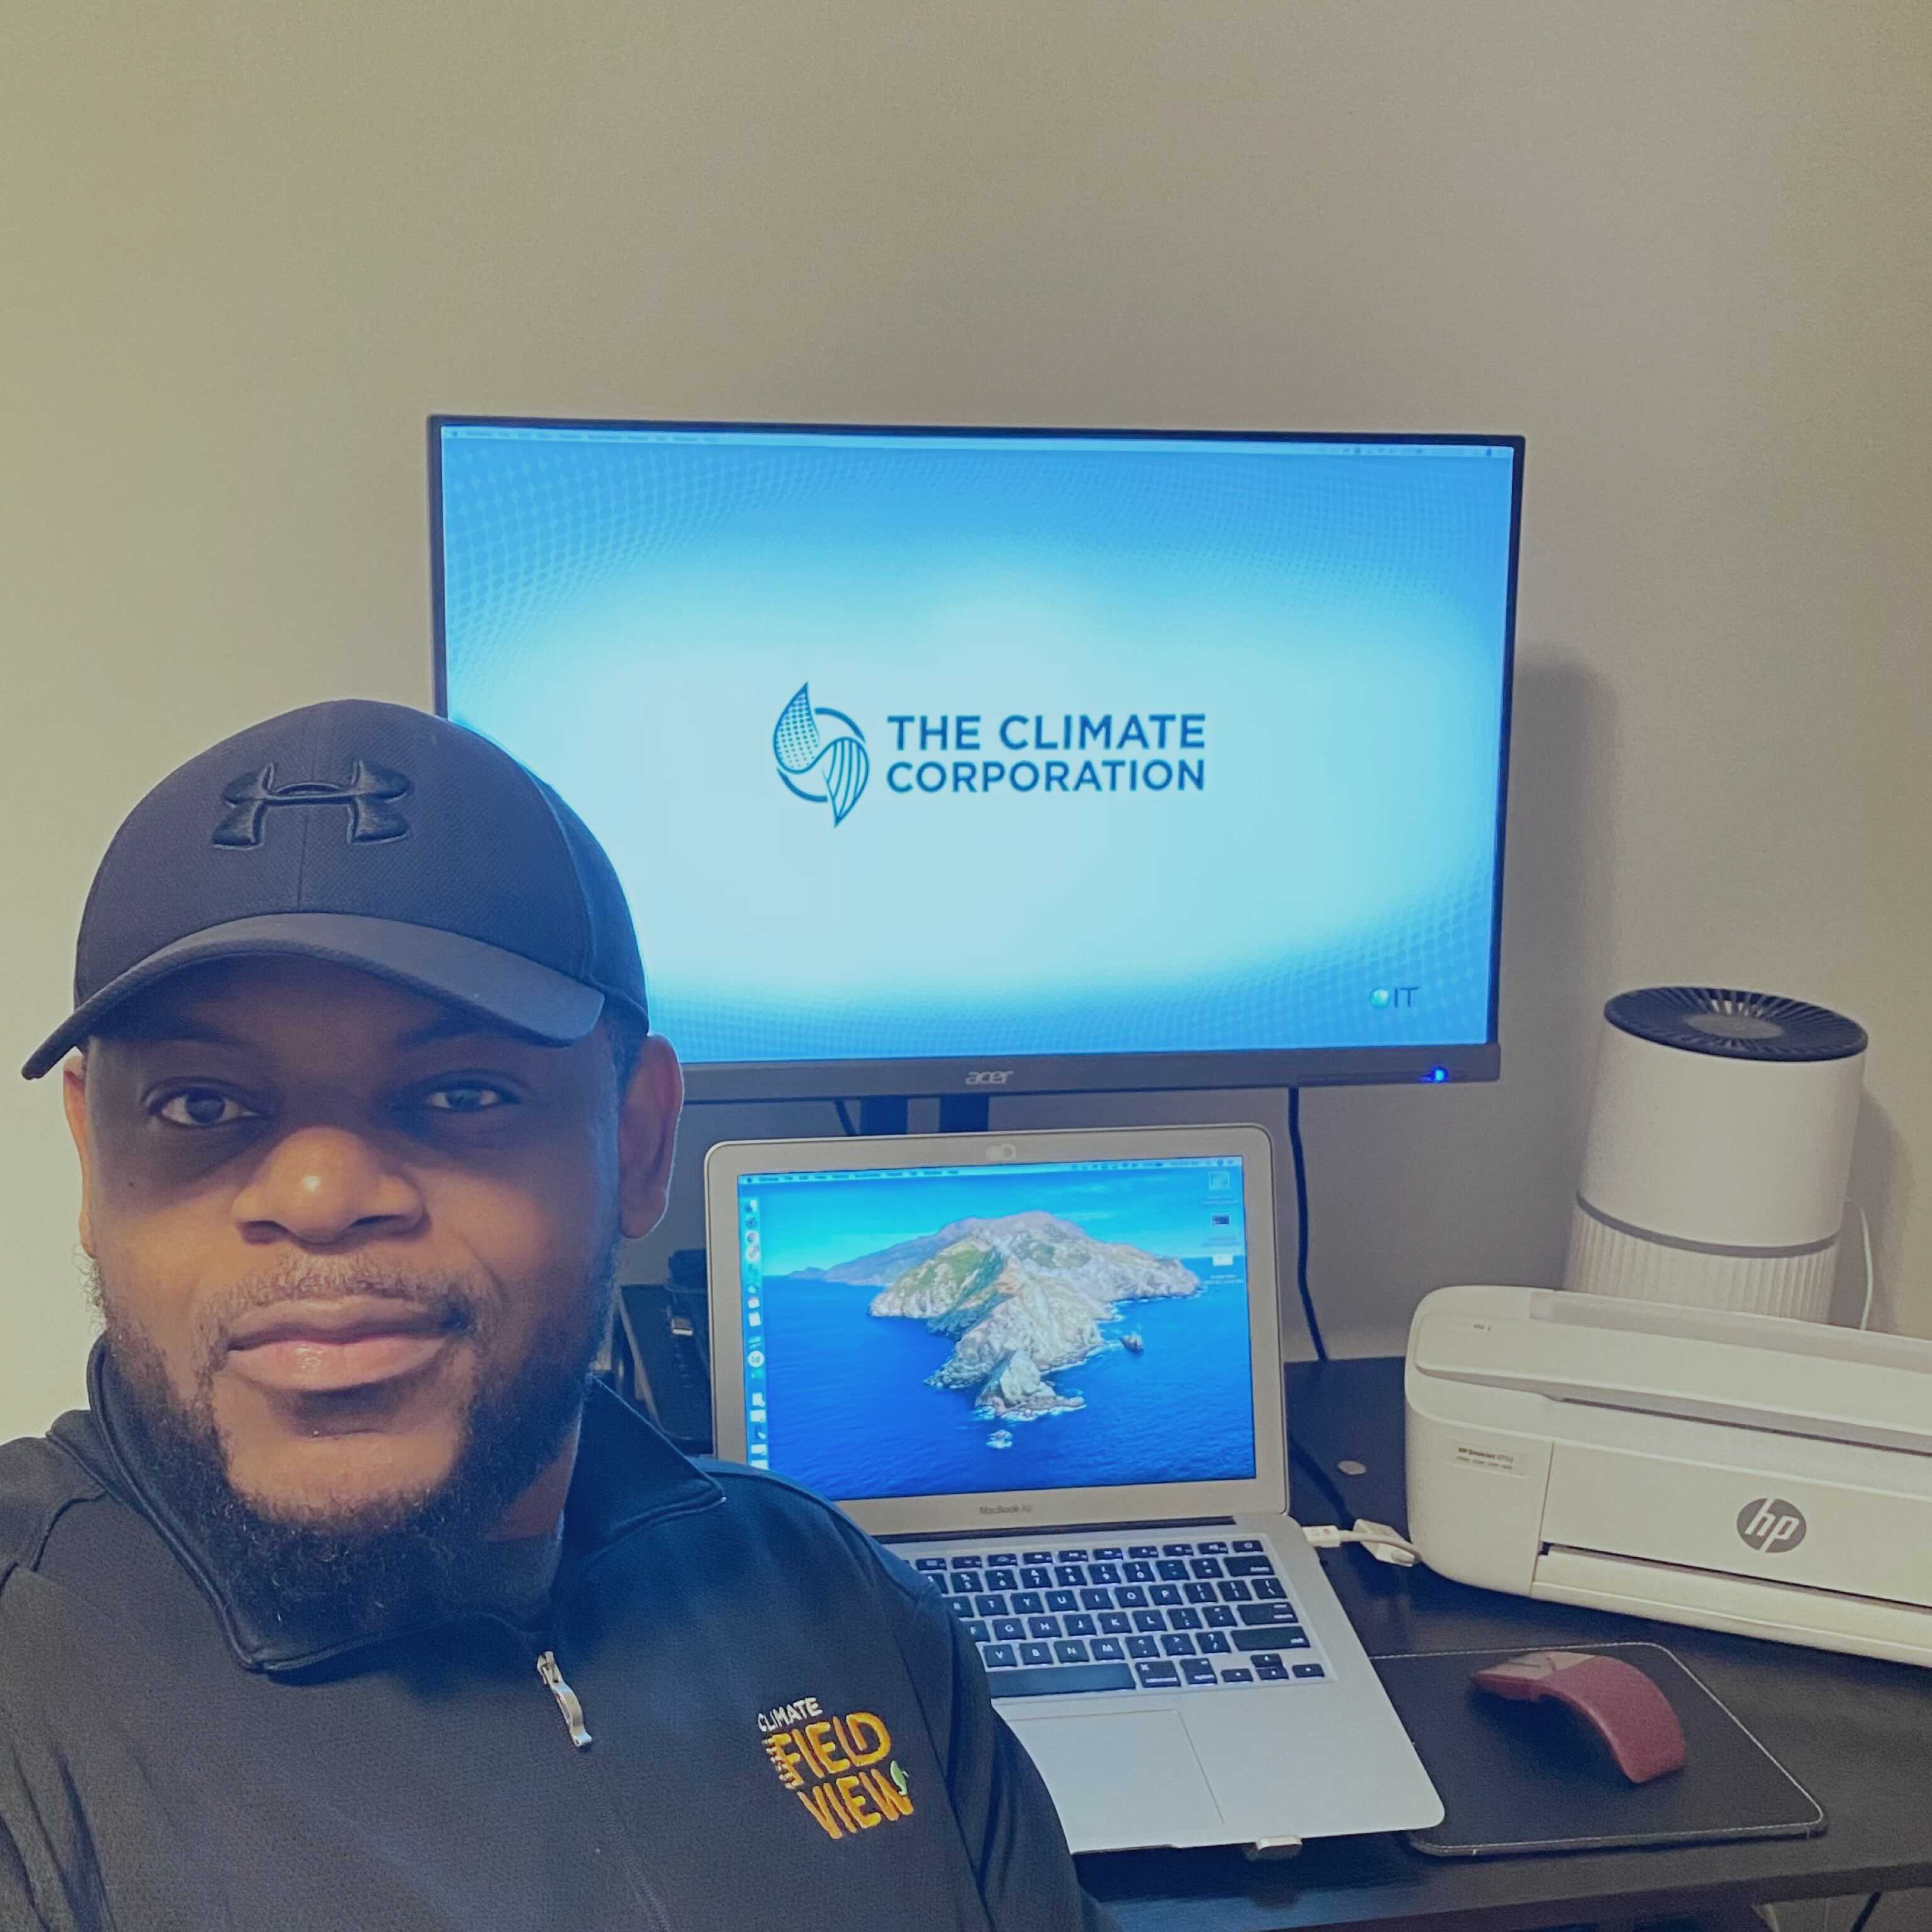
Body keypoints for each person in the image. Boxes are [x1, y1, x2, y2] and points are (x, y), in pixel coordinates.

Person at [0, 697, 1114, 1931]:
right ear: (91, 1165)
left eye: (462, 1090)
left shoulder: (842, 1609)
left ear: (637, 1141)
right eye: (200, 1108)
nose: (317, 1198)